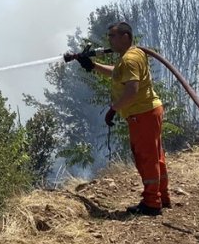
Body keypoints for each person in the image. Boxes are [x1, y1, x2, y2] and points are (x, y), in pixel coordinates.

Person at [67, 21, 169, 216]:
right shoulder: (132, 55)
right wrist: (93, 66)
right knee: (155, 157)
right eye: (109, 37)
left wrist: (113, 109)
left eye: (113, 37)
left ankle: (152, 203)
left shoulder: (129, 59)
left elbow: (132, 90)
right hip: (149, 111)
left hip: (142, 114)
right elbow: (117, 73)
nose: (110, 41)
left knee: (146, 159)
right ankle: (162, 197)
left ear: (125, 37)